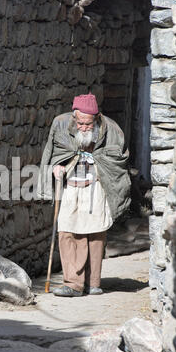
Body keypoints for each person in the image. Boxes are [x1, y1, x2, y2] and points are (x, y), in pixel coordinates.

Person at [37, 93, 131, 297]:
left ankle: (93, 283)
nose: (84, 127)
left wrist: (100, 162)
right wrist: (56, 167)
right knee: (67, 231)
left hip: (96, 186)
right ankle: (73, 283)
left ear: (96, 119)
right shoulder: (60, 124)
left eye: (88, 124)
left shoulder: (111, 128)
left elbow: (120, 157)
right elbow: (52, 152)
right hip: (70, 186)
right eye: (80, 123)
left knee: (96, 232)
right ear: (74, 117)